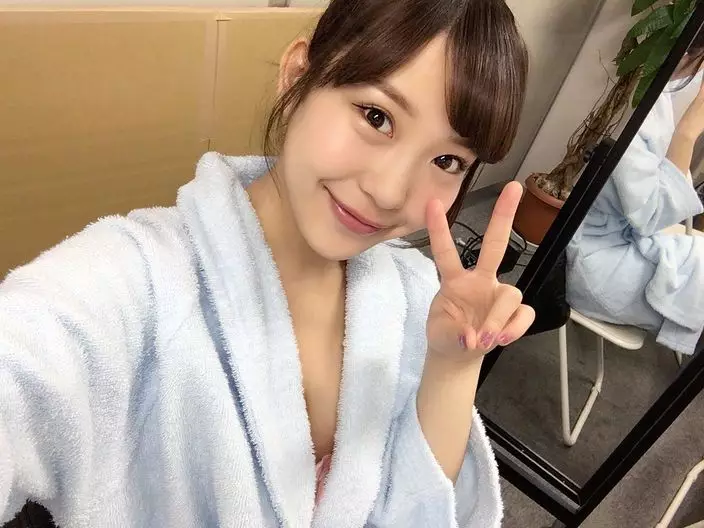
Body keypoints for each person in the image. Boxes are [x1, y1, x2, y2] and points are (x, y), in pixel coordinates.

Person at [0, 0, 534, 527]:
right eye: (377, 117)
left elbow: (417, 512)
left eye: (446, 160)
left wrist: (453, 365)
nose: (390, 191)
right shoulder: (135, 279)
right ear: (297, 75)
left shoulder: (415, 295)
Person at [567, 34, 704, 356]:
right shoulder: (641, 108)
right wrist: (688, 131)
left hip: (617, 243)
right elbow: (652, 215)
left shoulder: (656, 97)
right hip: (598, 265)